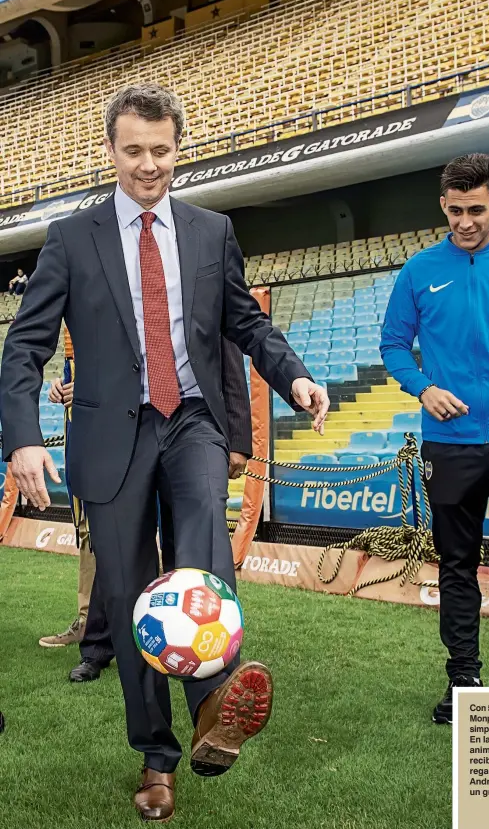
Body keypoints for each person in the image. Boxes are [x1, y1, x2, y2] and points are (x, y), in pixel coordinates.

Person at [0, 82, 329, 822]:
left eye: (162, 150)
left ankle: (216, 706)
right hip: (111, 433)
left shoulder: (211, 230)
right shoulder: (70, 236)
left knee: (204, 558)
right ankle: (157, 756)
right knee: (128, 596)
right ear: (111, 151)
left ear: (180, 149)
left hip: (193, 423)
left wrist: (297, 376)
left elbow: (246, 323)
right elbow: (24, 347)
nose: (149, 164)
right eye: (134, 150)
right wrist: (21, 435)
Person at [380, 153, 489, 725]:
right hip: (450, 443)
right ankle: (464, 681)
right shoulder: (418, 270)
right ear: (443, 206)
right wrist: (424, 388)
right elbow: (391, 346)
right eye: (455, 210)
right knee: (456, 565)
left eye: (476, 209)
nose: (464, 221)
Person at [39, 332, 253, 676]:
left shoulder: (206, 278)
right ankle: (97, 647)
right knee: (120, 542)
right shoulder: (120, 282)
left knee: (189, 543)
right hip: (128, 425)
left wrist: (239, 437)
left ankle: (213, 660)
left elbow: (228, 347)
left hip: (191, 425)